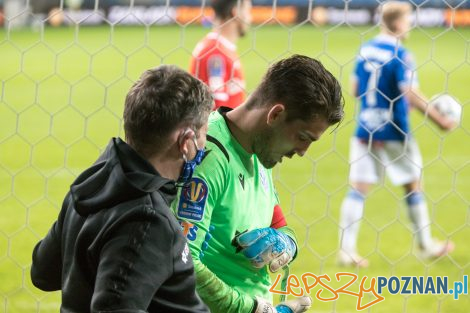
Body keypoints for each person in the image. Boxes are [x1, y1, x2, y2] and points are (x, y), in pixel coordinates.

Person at [30, 65, 213, 312]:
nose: (203, 147)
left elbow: (43, 271)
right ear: (185, 141)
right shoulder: (150, 221)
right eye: (203, 135)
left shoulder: (91, 183)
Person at [173, 54, 344, 313]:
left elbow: (279, 225)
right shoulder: (209, 158)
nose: (302, 151)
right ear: (275, 115)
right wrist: (257, 311)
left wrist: (287, 245)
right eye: (302, 137)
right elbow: (183, 262)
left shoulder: (259, 153)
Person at [338, 1, 456, 268]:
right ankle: (426, 245)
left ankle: (346, 251)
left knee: (358, 187)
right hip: (394, 130)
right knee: (413, 184)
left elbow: (355, 88)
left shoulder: (365, 49)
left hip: (365, 127)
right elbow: (409, 92)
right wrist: (440, 120)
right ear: (400, 23)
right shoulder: (401, 54)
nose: (411, 24)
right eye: (409, 19)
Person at [190, 0, 252, 109]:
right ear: (235, 12)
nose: (250, 18)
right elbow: (217, 109)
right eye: (248, 11)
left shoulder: (222, 47)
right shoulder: (215, 52)